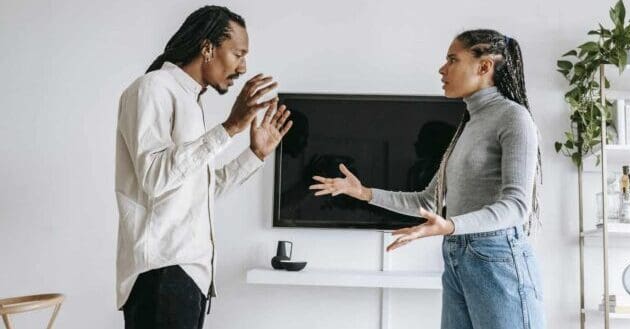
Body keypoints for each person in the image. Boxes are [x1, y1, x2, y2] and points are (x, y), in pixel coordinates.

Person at [309, 29, 545, 329]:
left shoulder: (514, 118)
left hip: (497, 260)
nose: (442, 69)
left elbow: (517, 207)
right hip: (458, 257)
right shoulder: (469, 125)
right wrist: (364, 193)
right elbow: (428, 200)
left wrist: (451, 225)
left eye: (452, 59)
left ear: (484, 67)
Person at [114, 6, 292, 329]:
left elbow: (202, 188)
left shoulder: (192, 105)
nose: (243, 66)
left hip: (189, 280)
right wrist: (229, 129)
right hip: (162, 275)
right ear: (208, 48)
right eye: (238, 53)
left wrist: (254, 154)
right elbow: (154, 177)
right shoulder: (152, 89)